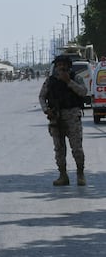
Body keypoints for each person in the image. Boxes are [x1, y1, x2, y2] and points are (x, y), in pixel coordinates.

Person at [39, 56, 88, 186]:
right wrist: (46, 110)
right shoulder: (50, 81)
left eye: (63, 65)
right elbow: (42, 96)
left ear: (68, 66)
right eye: (59, 65)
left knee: (77, 148)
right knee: (59, 149)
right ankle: (63, 175)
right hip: (56, 118)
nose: (61, 67)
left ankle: (80, 174)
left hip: (72, 117)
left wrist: (68, 82)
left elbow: (83, 92)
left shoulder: (75, 78)